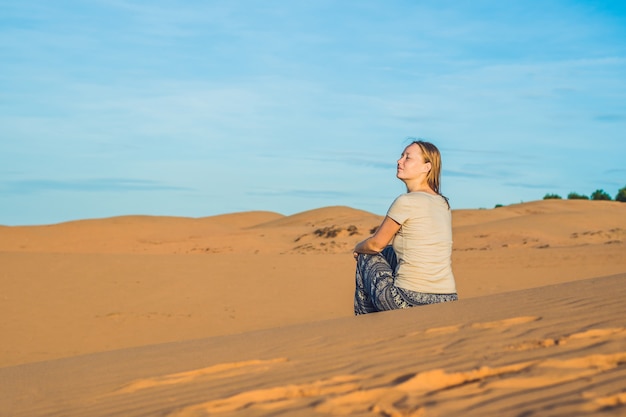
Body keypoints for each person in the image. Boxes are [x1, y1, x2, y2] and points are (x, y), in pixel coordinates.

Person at [353, 140, 458, 315]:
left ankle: (365, 323)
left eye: (407, 157)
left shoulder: (406, 201)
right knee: (388, 253)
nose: (399, 161)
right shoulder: (442, 202)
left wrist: (358, 247)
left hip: (408, 300)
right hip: (447, 299)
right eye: (401, 156)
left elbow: (375, 244)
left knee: (366, 254)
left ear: (426, 167)